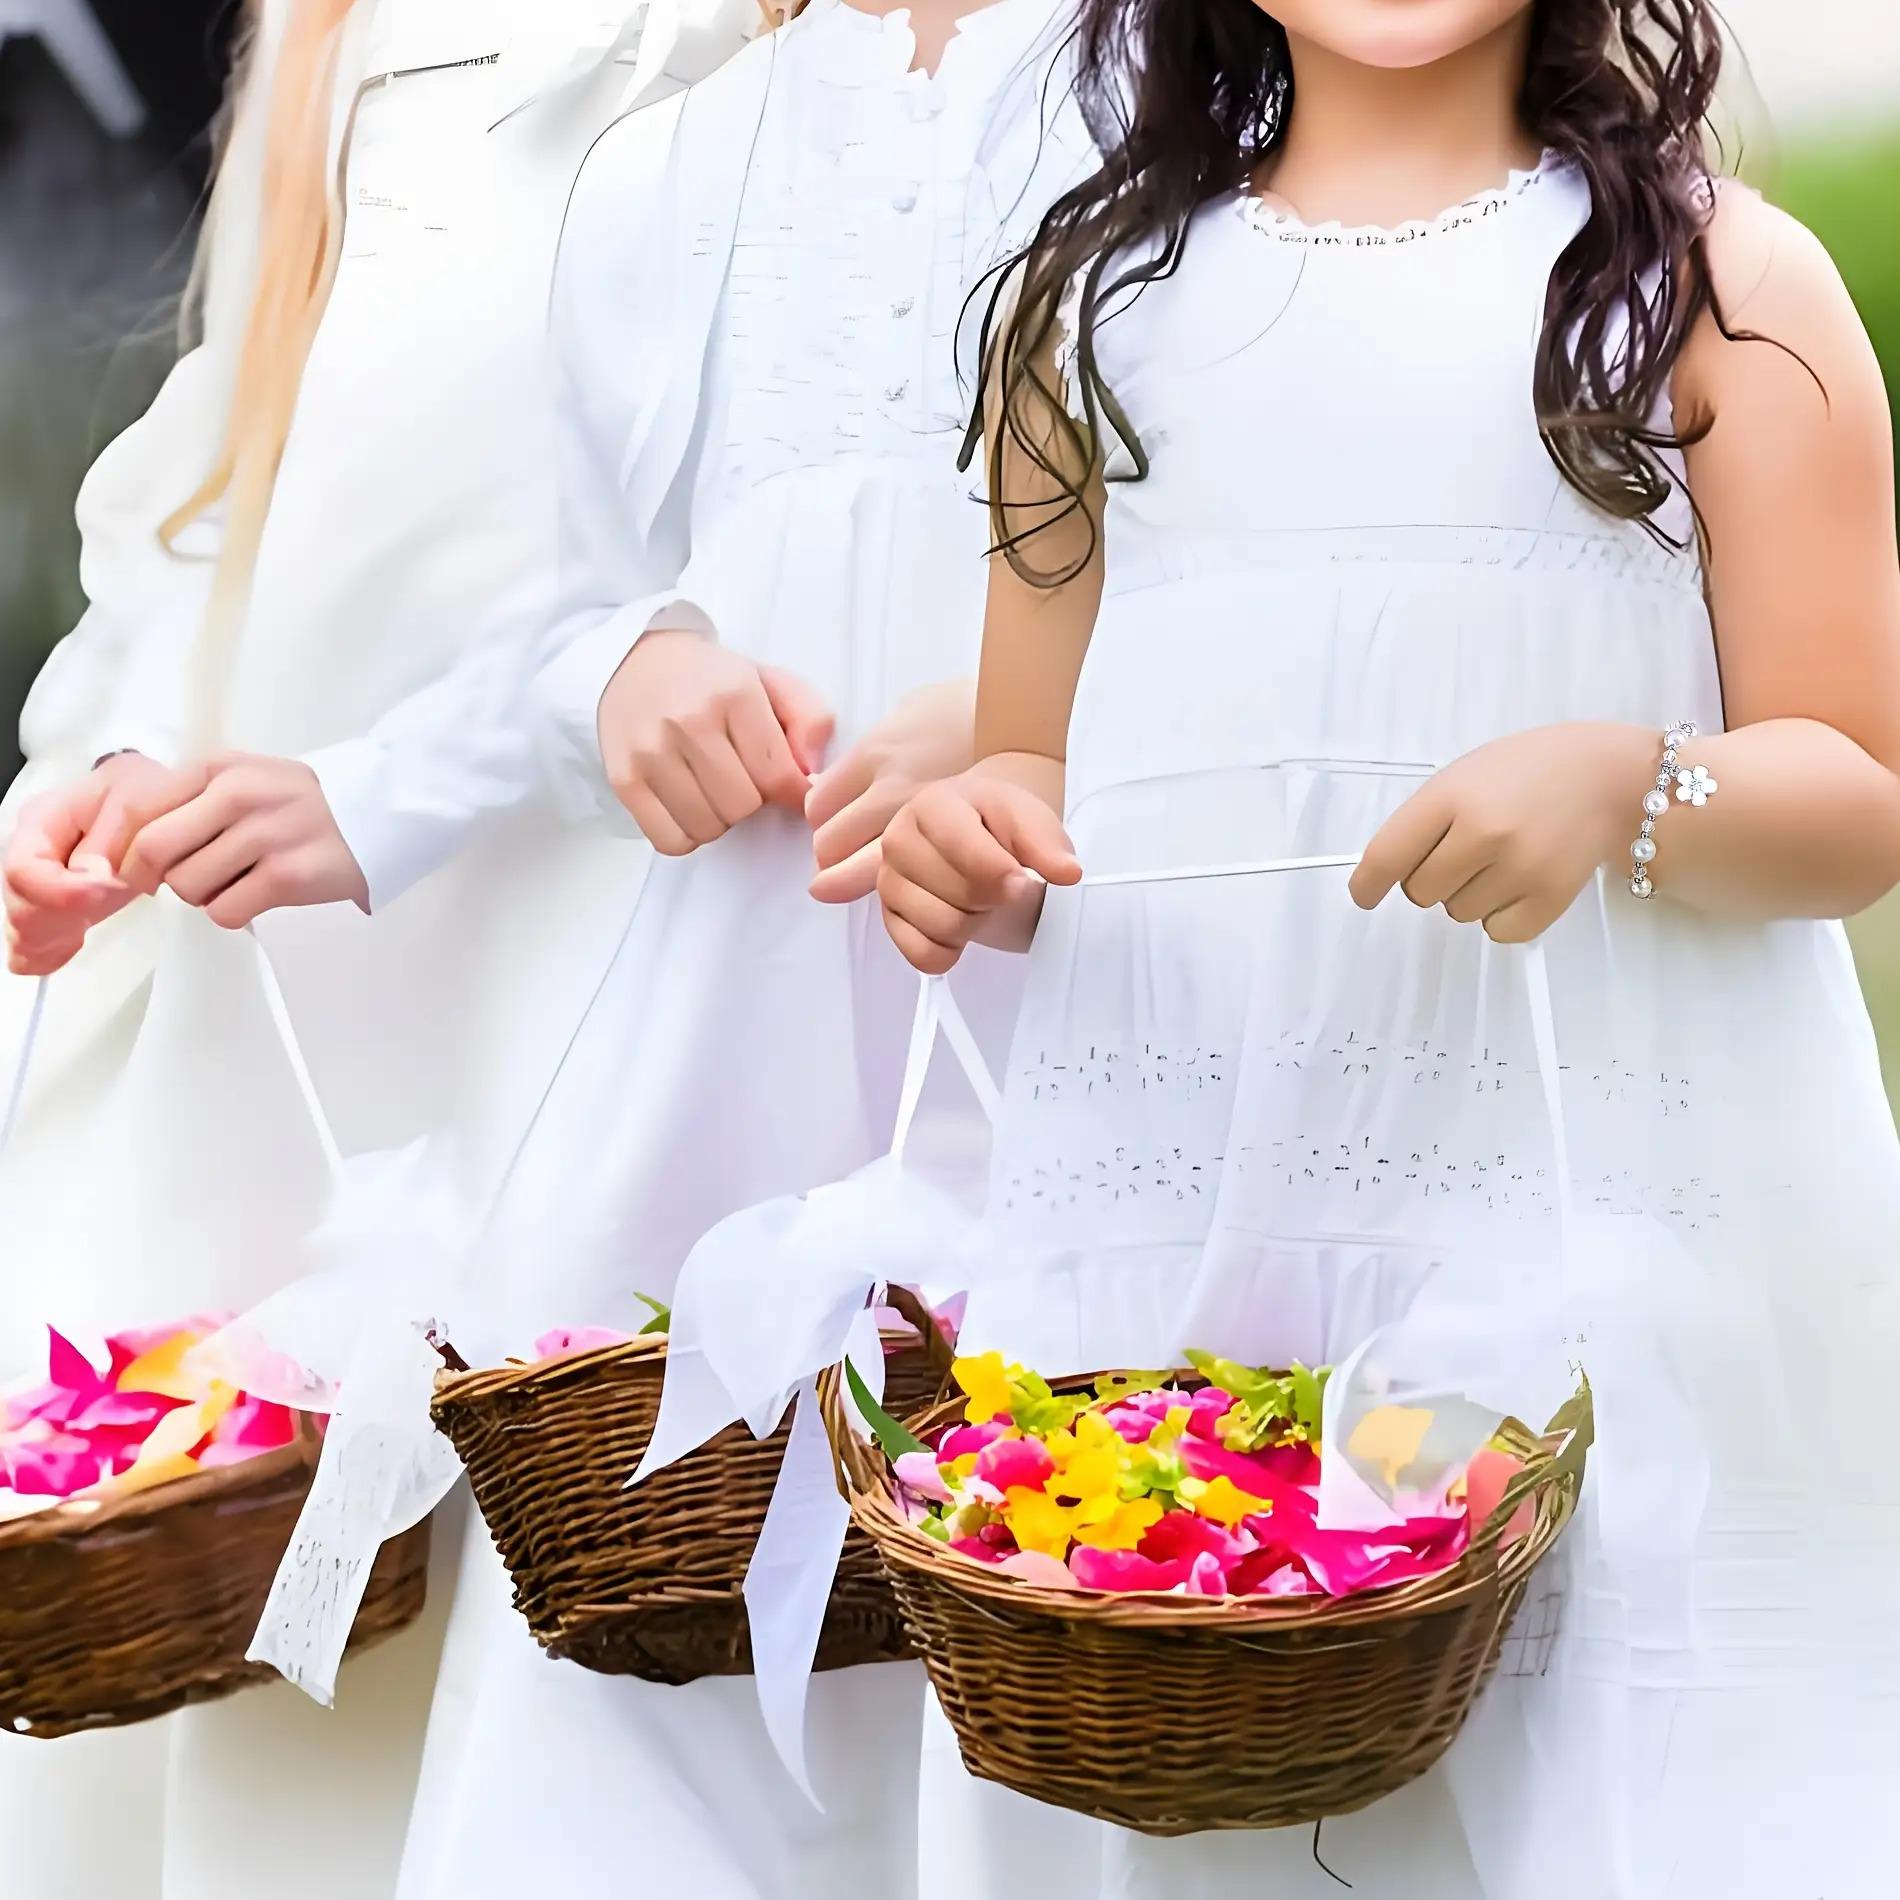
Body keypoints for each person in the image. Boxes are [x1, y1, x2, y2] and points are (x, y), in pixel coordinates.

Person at [875, 1, 1900, 1895]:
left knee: (1657, 1794)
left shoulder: (1717, 286)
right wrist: (972, 838)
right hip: (1201, 1232)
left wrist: (1632, 781)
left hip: (1615, 1211)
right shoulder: (1089, 318)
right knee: (1198, 1808)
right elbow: (1033, 759)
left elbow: (1856, 791)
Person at [0, 4, 764, 1896]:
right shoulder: (344, 24)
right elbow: (243, 442)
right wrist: (114, 748)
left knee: (573, 1500)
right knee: (274, 1551)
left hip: (609, 857)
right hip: (280, 913)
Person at [385, 4, 1096, 1896]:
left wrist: (1052, 713)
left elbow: (1349, 552)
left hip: (1091, 994)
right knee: (663, 1685)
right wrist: (629, 664)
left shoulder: (1221, 74)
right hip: (732, 1055)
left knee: (1088, 1592)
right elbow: (569, 582)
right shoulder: (662, 162)